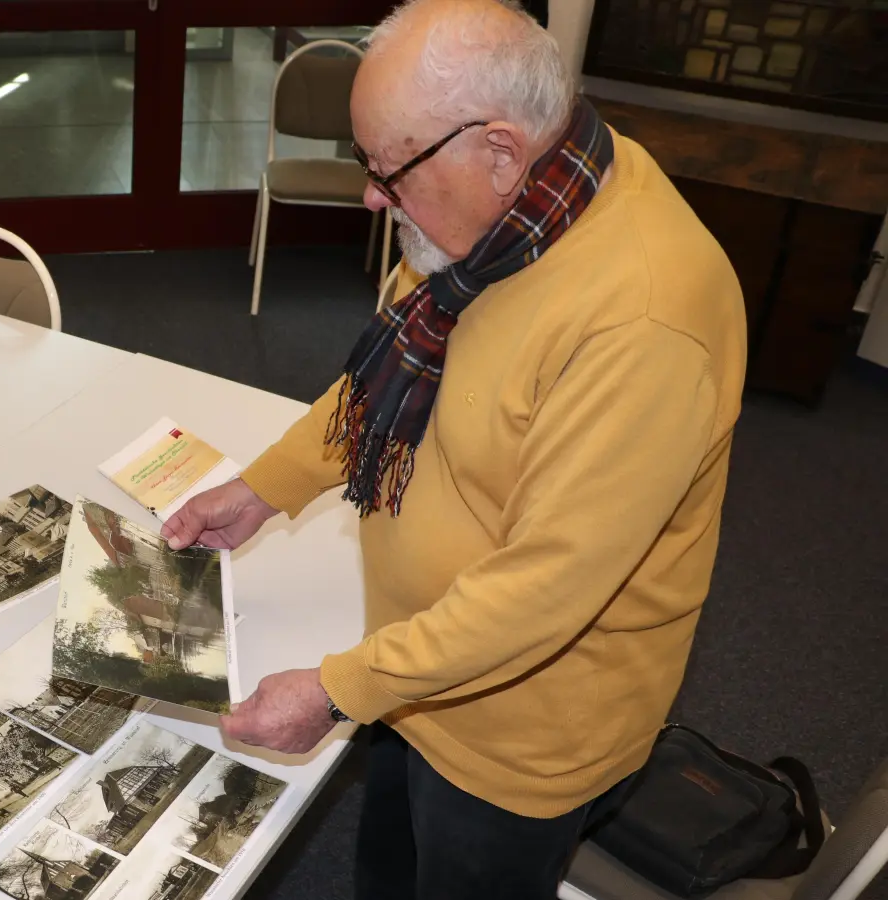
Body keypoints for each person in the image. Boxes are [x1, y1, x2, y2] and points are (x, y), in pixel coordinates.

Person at [161, 1, 746, 897]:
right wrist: (266, 487)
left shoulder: (646, 318)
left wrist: (337, 689)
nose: (369, 196)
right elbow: (386, 387)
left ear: (502, 152)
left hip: (520, 732)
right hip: (412, 665)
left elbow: (542, 591)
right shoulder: (480, 222)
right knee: (389, 868)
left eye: (386, 171)